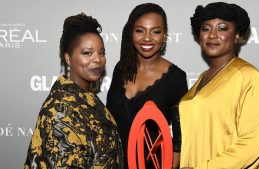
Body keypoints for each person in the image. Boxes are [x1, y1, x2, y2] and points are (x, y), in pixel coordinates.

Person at [24, 13, 123, 169]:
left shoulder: (87, 98)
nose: (98, 59)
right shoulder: (60, 110)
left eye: (101, 52)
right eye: (87, 53)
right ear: (68, 58)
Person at [179, 2, 259, 169]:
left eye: (222, 28)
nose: (212, 35)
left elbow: (251, 145)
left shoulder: (249, 77)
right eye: (206, 29)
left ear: (237, 35)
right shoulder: (202, 78)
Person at [106, 3, 188, 169]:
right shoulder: (120, 69)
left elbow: (179, 138)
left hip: (152, 164)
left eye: (155, 31)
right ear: (131, 33)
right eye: (140, 30)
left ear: (164, 35)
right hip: (114, 163)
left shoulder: (176, 78)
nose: (147, 38)